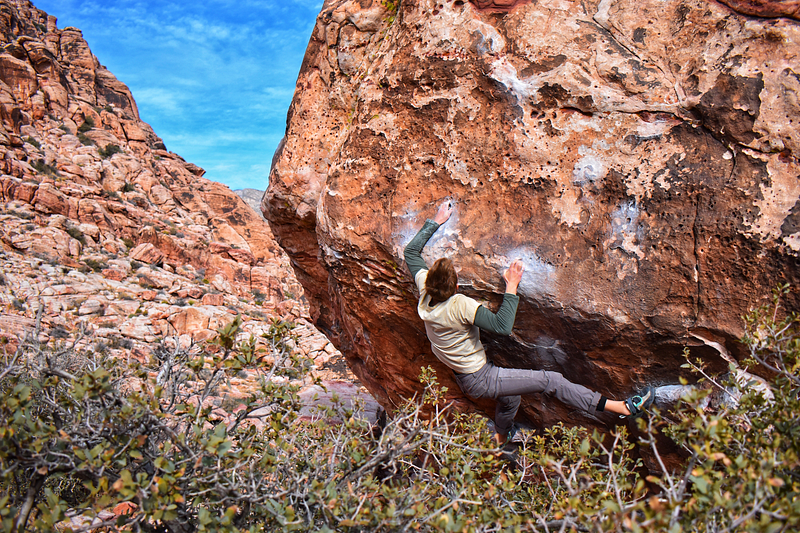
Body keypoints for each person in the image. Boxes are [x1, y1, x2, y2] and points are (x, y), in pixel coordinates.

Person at [404, 199, 654, 445]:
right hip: (480, 377)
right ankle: (621, 407)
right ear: (457, 287)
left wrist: (436, 221)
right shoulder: (460, 305)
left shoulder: (424, 288)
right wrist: (511, 286)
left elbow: (410, 252)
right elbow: (502, 327)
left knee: (511, 399)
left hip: (465, 374)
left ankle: (501, 438)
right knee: (551, 381)